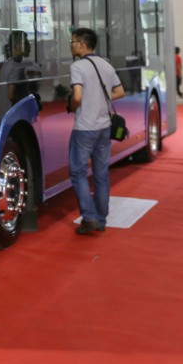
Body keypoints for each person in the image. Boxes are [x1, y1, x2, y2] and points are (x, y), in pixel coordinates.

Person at [67, 28, 124, 235]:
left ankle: (89, 217)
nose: (71, 45)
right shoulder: (106, 65)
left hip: (84, 128)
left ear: (82, 44)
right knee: (101, 174)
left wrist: (72, 106)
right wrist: (100, 98)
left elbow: (77, 96)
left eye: (73, 42)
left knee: (78, 172)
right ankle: (100, 219)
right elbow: (120, 91)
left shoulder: (77, 66)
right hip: (104, 128)